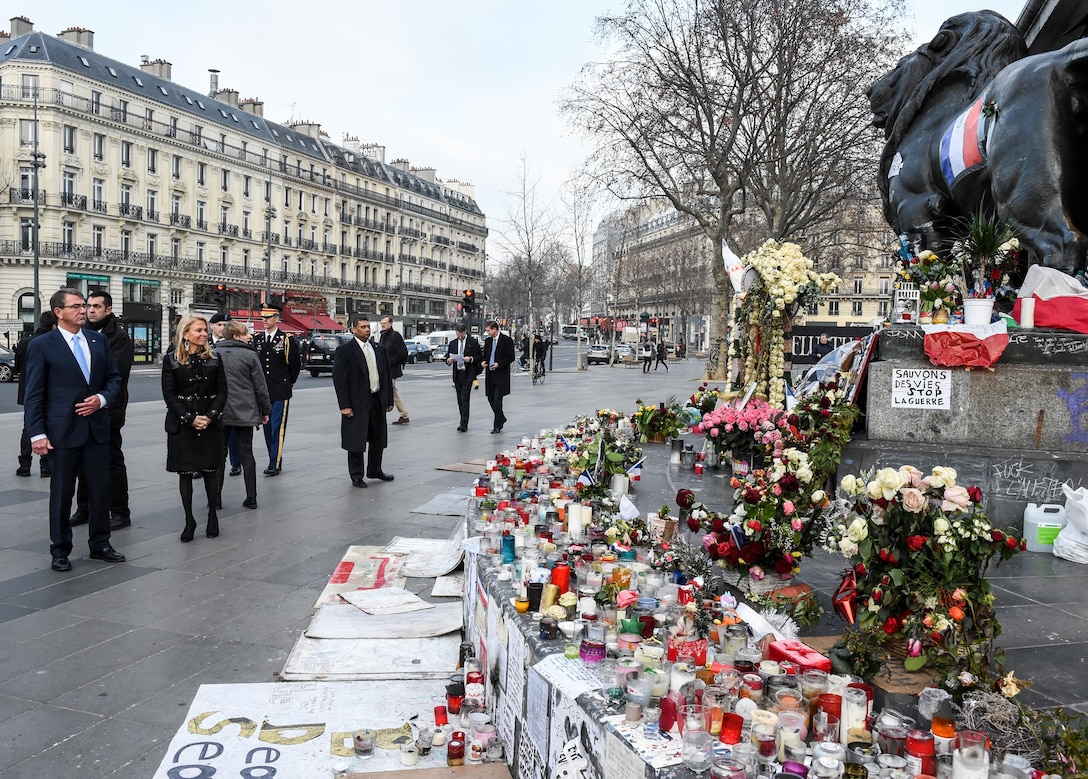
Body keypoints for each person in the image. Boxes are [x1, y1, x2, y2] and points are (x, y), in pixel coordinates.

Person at [23, 288, 124, 572]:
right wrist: (37, 434)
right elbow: (34, 394)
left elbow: (114, 379)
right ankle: (60, 549)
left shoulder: (98, 340)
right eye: (76, 306)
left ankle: (101, 543)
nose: (84, 310)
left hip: (96, 429)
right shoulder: (42, 345)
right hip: (61, 432)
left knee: (100, 490)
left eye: (84, 305)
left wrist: (101, 399)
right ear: (59, 312)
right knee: (62, 492)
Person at [70, 290, 135, 530]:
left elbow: (114, 376)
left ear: (108, 310)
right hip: (84, 409)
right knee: (83, 462)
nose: (91, 310)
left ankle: (120, 511)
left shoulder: (118, 337)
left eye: (97, 306)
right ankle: (84, 508)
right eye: (89, 306)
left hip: (109, 410)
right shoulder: (81, 333)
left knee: (111, 461)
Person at [162, 315, 228, 542]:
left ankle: (212, 515)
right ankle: (189, 519)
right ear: (185, 333)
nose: (203, 334)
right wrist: (190, 418)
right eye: (198, 330)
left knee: (211, 470)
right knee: (186, 472)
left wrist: (209, 416)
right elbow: (169, 394)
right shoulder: (171, 360)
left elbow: (222, 391)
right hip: (182, 425)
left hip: (210, 423)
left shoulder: (215, 358)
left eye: (204, 330)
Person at [332, 315, 394, 488]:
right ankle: (357, 475)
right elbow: (340, 380)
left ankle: (375, 469)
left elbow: (386, 376)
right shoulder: (345, 351)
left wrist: (388, 400)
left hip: (377, 399)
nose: (367, 330)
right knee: (356, 439)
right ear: (354, 330)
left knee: (378, 438)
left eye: (368, 327)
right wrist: (345, 405)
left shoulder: (378, 348)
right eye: (363, 327)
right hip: (356, 402)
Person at [214, 321, 271, 510]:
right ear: (237, 336)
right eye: (246, 334)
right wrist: (265, 410)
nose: (249, 337)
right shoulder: (250, 355)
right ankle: (251, 496)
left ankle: (215, 497)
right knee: (247, 453)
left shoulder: (214, 353)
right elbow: (260, 386)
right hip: (245, 411)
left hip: (220, 411)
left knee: (219, 455)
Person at [252, 304, 301, 476]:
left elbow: (295, 365)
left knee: (277, 427)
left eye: (268, 317)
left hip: (280, 389)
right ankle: (273, 457)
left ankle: (274, 462)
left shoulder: (286, 339)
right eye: (263, 317)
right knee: (266, 427)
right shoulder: (257, 339)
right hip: (263, 391)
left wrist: (290, 383)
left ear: (276, 319)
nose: (264, 320)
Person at [15, 311, 56, 478]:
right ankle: (45, 466)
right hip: (50, 392)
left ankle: (24, 465)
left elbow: (17, 368)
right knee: (49, 428)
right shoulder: (53, 342)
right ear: (54, 325)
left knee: (28, 427)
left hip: (28, 391)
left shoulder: (24, 342)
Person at [446, 323, 483, 432]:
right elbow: (448, 357)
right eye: (458, 334)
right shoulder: (453, 343)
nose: (460, 337)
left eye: (462, 334)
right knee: (459, 399)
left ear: (465, 332)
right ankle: (462, 418)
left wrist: (470, 359)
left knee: (465, 397)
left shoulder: (472, 342)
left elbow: (479, 356)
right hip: (457, 374)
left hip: (468, 373)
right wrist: (449, 360)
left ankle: (464, 423)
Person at [482, 321, 515, 434]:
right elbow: (486, 355)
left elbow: (511, 357)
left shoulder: (506, 340)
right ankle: (501, 417)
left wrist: (499, 364)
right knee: (490, 397)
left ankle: (497, 425)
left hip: (500, 374)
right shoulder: (488, 341)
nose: (487, 333)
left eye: (489, 330)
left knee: (497, 399)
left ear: (495, 329)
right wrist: (483, 362)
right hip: (490, 373)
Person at [378, 315, 411, 425]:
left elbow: (402, 353)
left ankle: (401, 414)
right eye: (381, 323)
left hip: (392, 370)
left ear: (390, 324)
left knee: (388, 390)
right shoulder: (383, 336)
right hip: (384, 369)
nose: (383, 325)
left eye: (385, 323)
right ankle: (404, 414)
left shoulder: (395, 336)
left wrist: (390, 362)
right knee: (392, 392)